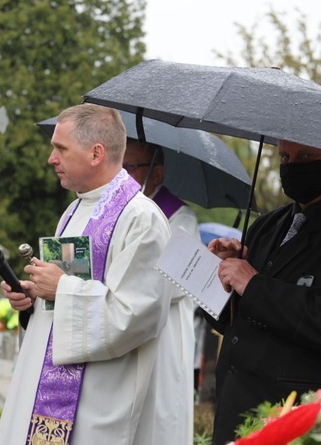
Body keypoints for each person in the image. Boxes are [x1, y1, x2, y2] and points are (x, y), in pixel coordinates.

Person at [0, 104, 173, 444]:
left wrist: (62, 289)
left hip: (99, 402)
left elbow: (135, 316)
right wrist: (34, 297)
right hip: (45, 392)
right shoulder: (74, 210)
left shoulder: (142, 220)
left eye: (60, 148)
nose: (51, 158)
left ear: (96, 153)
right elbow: (64, 295)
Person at [206, 139, 321, 444]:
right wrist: (224, 276)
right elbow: (231, 322)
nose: (292, 166)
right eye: (285, 156)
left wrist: (254, 284)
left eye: (306, 156)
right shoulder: (267, 226)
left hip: (301, 424)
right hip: (234, 415)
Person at [123, 138, 196, 444]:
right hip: (126, 333)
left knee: (158, 423)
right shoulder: (120, 212)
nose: (121, 175)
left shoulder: (180, 217)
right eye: (118, 166)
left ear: (157, 173)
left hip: (164, 337)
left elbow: (176, 282)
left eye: (130, 167)